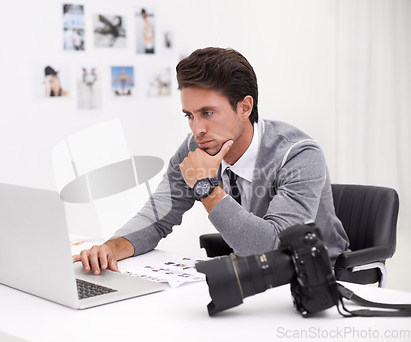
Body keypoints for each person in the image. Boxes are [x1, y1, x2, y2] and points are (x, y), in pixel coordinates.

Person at [73, 47, 350, 275]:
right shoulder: (196, 148)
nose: (197, 129)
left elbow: (275, 247)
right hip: (253, 279)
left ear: (244, 107)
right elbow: (156, 217)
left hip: (320, 281)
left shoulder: (299, 155)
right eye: (189, 115)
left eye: (207, 113)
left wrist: (206, 188)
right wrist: (110, 248)